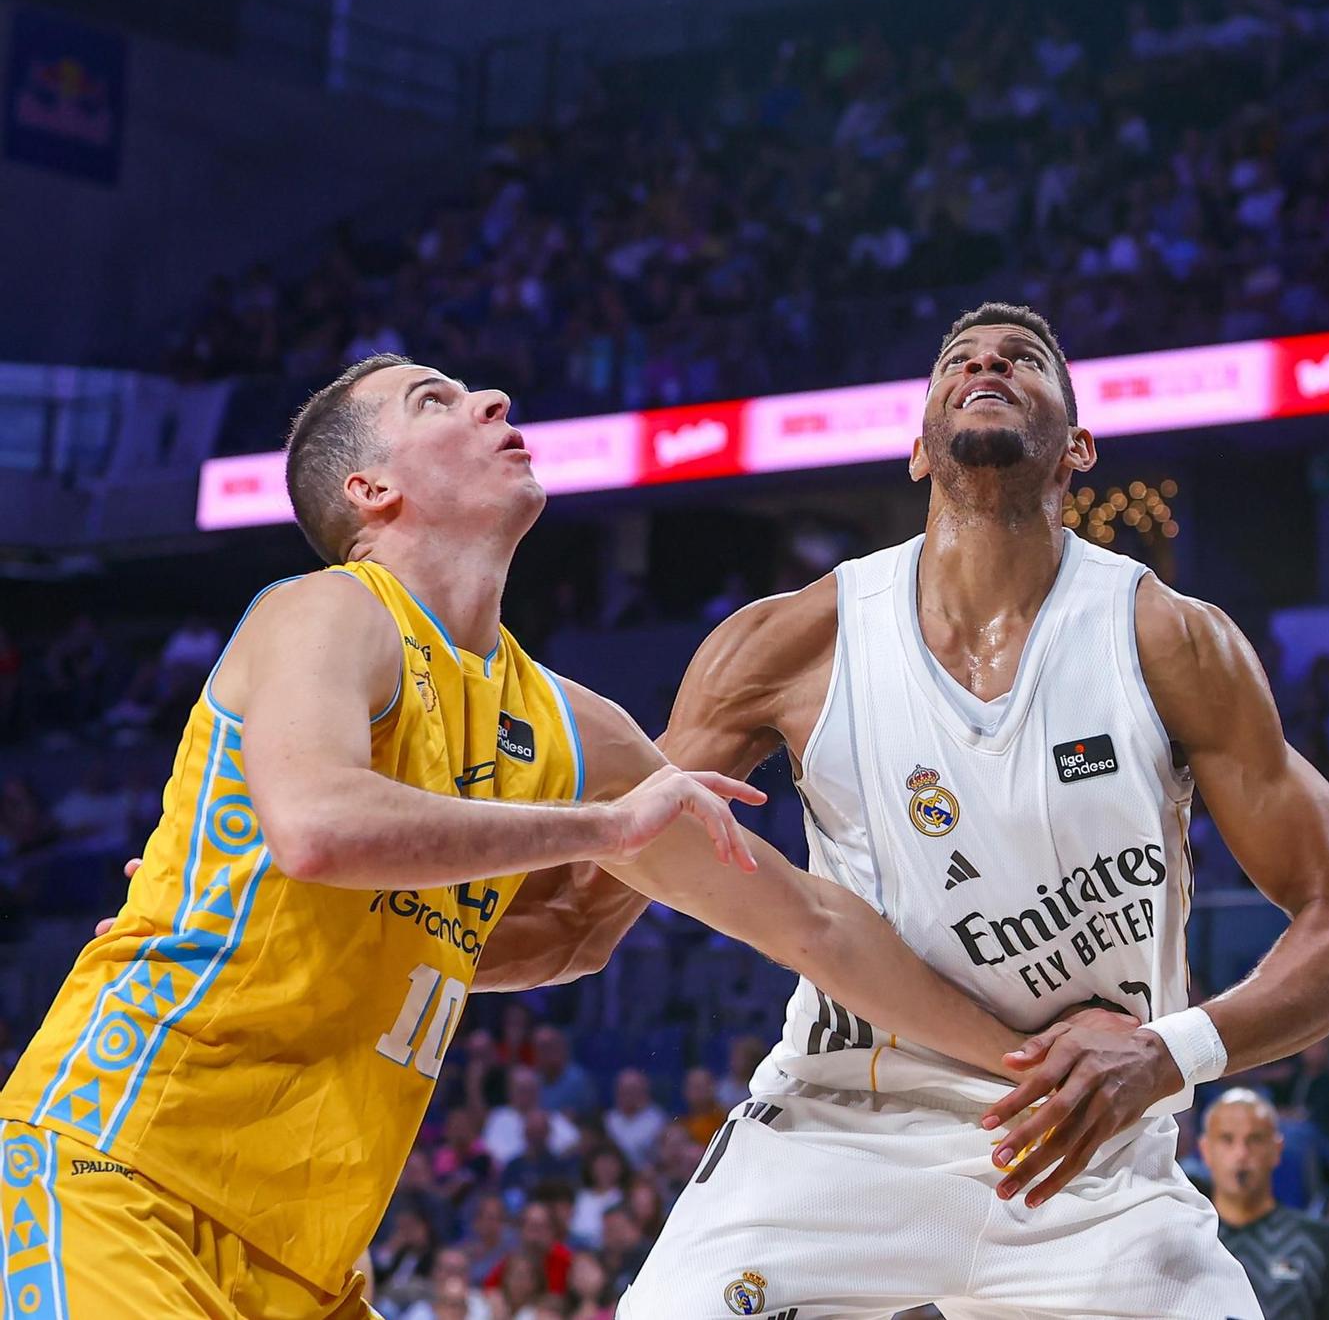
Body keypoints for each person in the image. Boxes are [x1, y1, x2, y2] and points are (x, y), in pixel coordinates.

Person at [0, 356, 1035, 1319]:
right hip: (116, 1172)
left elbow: (787, 922)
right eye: (434, 403)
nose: (492, 403)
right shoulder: (326, 612)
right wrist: (599, 824)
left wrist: (1029, 1060)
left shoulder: (566, 724)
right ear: (369, 490)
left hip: (307, 1264)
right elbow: (319, 827)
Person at [619, 304, 1329, 1315]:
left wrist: (1170, 1049)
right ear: (916, 449)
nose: (987, 361)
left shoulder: (1166, 639)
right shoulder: (790, 642)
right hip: (845, 1127)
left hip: (1092, 1148)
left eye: (1023, 359)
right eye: (960, 358)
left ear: (1077, 446)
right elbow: (620, 872)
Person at [1200, 1088, 1329, 1320]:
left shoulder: (1322, 1241)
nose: (1241, 1154)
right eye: (1227, 1140)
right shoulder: (1184, 1238)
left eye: (1255, 1139)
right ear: (1205, 1150)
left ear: (1277, 1149)